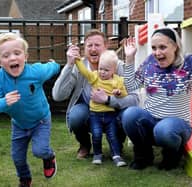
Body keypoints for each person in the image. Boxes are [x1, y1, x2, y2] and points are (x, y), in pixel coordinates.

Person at [122, 17, 192, 170]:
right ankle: (143, 155)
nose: (157, 52)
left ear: (175, 46)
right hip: (151, 121)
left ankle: (172, 155)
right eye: (154, 48)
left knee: (164, 129)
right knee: (130, 114)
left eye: (162, 47)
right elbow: (130, 86)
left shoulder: (191, 63)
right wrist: (129, 59)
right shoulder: (150, 63)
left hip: (176, 125)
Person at [52, 29, 139, 159]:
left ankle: (117, 145)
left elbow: (134, 99)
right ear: (84, 49)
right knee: (76, 115)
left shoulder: (118, 66)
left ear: (106, 47)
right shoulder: (79, 67)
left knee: (128, 114)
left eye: (97, 45)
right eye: (89, 45)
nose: (93, 49)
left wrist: (109, 100)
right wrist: (69, 65)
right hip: (91, 112)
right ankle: (85, 144)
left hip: (114, 112)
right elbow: (58, 95)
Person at [0, 32, 60, 187]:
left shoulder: (35, 72)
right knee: (17, 158)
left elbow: (52, 68)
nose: (13, 58)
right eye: (6, 56)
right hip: (19, 124)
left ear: (25, 57)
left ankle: (49, 157)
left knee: (40, 151)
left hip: (40, 120)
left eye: (17, 53)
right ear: (0, 62)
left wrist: (54, 64)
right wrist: (4, 102)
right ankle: (25, 179)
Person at [74, 50, 127, 167]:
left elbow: (124, 93)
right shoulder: (95, 77)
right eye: (101, 68)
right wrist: (77, 60)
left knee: (112, 135)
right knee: (96, 134)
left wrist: (118, 92)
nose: (102, 72)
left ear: (114, 70)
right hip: (95, 114)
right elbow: (84, 71)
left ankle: (116, 155)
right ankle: (97, 154)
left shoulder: (117, 80)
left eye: (106, 70)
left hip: (110, 114)